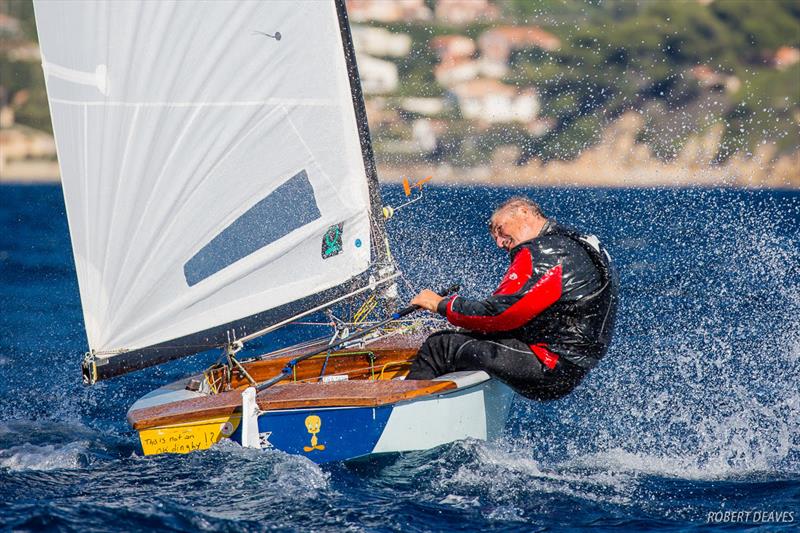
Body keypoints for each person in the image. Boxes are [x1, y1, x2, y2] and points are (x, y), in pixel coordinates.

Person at [406, 196, 618, 401]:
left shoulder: (542, 251)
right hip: (572, 366)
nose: (499, 242)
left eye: (499, 229)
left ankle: (405, 416)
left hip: (549, 364)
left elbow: (500, 314)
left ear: (523, 211)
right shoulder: (574, 241)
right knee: (468, 336)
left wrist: (440, 304)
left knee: (440, 345)